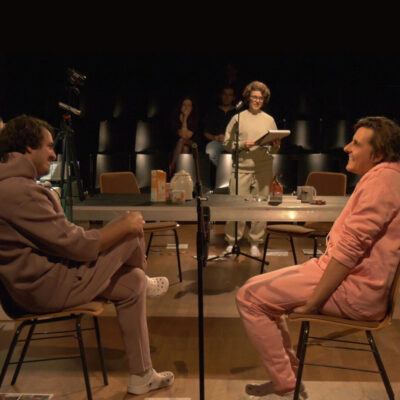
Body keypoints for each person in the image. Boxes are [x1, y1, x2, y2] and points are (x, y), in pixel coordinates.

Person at [0, 115, 174, 396]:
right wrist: (124, 225)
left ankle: (142, 376)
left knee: (133, 283)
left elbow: (60, 242)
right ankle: (144, 272)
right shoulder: (20, 192)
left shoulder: (13, 186)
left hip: (39, 282)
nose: (54, 154)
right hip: (45, 289)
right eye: (48, 146)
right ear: (28, 147)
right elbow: (77, 245)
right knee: (130, 229)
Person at [236, 116, 400, 399]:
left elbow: (349, 250)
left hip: (355, 290)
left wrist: (313, 303)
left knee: (249, 297)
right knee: (255, 290)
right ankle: (287, 378)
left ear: (378, 154)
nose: (347, 147)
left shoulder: (384, 180)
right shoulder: (387, 176)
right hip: (355, 282)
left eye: (356, 143)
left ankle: (287, 386)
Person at [223, 81, 280, 258]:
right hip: (241, 168)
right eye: (254, 97)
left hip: (263, 168)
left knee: (260, 207)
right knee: (236, 207)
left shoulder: (269, 119)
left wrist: (276, 146)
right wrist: (242, 144)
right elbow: (226, 144)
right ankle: (232, 241)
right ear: (248, 98)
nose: (257, 100)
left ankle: (255, 242)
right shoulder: (238, 118)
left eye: (260, 98)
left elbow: (274, 149)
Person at [203, 84, 237, 168]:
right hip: (217, 141)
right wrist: (215, 138)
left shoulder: (238, 112)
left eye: (230, 95)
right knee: (210, 149)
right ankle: (224, 170)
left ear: (233, 98)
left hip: (233, 142)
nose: (227, 97)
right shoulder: (213, 111)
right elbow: (206, 132)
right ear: (221, 96)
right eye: (224, 94)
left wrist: (229, 138)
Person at [169, 95, 200, 177]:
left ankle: (172, 165)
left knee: (182, 141)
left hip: (193, 144)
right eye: (184, 105)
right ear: (180, 106)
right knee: (185, 148)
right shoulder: (176, 117)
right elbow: (181, 134)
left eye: (189, 105)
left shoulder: (194, 118)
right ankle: (182, 174)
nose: (186, 107)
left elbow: (186, 136)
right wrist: (184, 119)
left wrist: (185, 118)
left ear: (192, 108)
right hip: (178, 144)